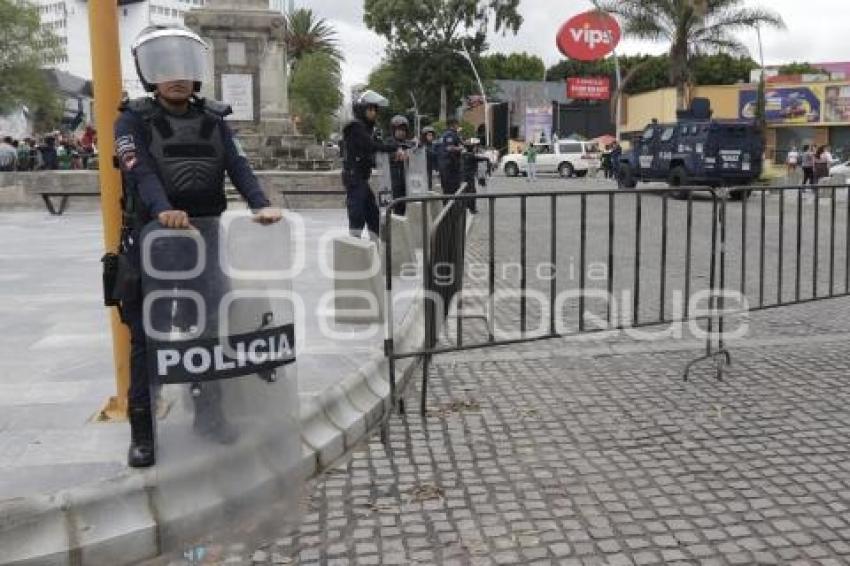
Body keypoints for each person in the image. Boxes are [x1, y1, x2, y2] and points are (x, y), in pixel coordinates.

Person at [113, 24, 282, 468]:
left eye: (183, 66)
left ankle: (209, 417)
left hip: (205, 240)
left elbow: (239, 166)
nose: (176, 76)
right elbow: (140, 171)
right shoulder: (132, 119)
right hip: (154, 242)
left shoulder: (214, 119)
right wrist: (163, 208)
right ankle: (143, 430)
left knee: (208, 329)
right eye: (164, 67)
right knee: (147, 338)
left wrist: (260, 205)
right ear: (149, 71)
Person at [341, 90, 404, 239]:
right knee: (357, 212)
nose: (373, 113)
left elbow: (369, 155)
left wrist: (391, 157)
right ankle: (354, 246)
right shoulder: (355, 127)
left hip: (361, 177)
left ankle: (375, 243)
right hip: (354, 177)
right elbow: (371, 146)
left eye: (375, 109)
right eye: (370, 109)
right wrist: (395, 148)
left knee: (372, 212)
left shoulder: (366, 128)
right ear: (362, 109)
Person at [388, 115, 413, 216]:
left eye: (403, 130)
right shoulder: (389, 143)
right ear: (393, 130)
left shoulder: (409, 144)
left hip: (408, 182)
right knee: (396, 208)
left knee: (406, 208)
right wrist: (397, 155)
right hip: (394, 181)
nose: (401, 132)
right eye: (398, 129)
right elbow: (385, 157)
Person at [461, 138, 489, 214]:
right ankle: (472, 209)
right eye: (474, 147)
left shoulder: (463, 155)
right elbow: (482, 158)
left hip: (463, 177)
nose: (475, 148)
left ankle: (467, 206)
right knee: (472, 192)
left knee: (465, 192)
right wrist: (487, 158)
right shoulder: (471, 156)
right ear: (471, 148)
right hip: (469, 177)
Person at [437, 119, 464, 196]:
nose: (458, 126)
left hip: (444, 166)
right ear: (454, 125)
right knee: (452, 190)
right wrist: (460, 148)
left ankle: (448, 206)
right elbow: (449, 148)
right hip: (450, 167)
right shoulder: (450, 134)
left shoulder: (444, 134)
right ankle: (451, 207)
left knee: (447, 190)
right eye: (457, 125)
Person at [420, 126, 437, 190]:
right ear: (424, 136)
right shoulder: (421, 145)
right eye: (429, 135)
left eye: (432, 135)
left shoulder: (432, 145)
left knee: (429, 184)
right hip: (421, 169)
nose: (431, 137)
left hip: (429, 168)